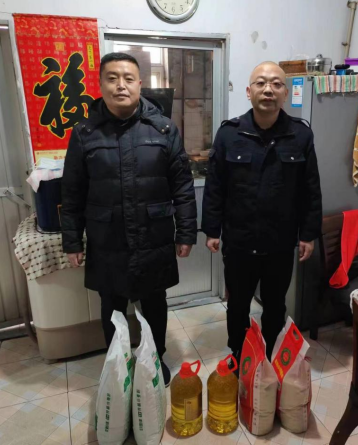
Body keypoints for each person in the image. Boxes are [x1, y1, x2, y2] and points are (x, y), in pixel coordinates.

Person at [61, 52, 197, 385]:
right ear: (100, 84)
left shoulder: (163, 129)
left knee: (155, 304)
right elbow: (72, 192)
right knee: (112, 306)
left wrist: (186, 232)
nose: (120, 85)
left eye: (128, 78)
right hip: (108, 239)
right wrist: (71, 240)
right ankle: (118, 366)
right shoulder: (85, 133)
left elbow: (182, 185)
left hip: (154, 236)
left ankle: (155, 360)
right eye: (112, 78)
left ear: (139, 84)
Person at [202, 61, 322, 362]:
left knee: (275, 305)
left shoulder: (300, 136)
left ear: (285, 93)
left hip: (279, 243)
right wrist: (212, 229)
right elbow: (215, 186)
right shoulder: (229, 134)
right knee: (238, 305)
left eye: (276, 84)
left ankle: (269, 358)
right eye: (261, 83)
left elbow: (310, 189)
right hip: (239, 241)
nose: (268, 89)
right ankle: (239, 355)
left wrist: (308, 234)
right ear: (249, 91)